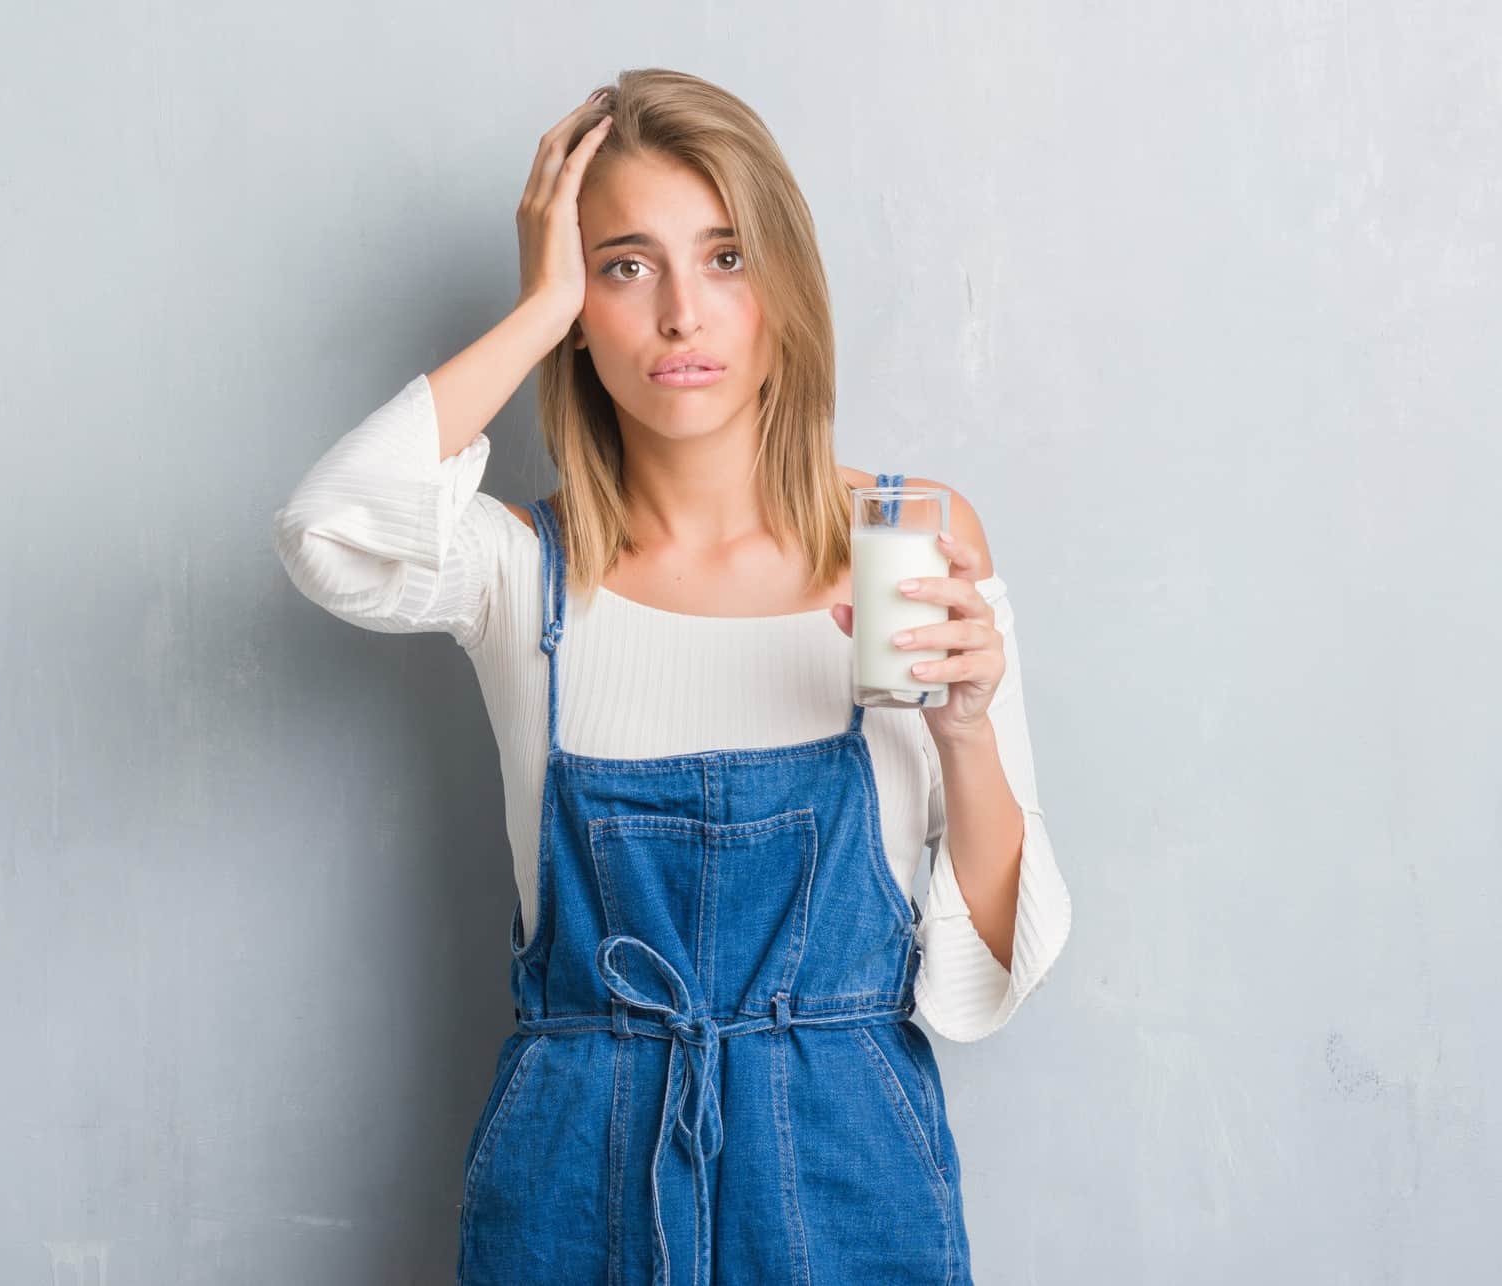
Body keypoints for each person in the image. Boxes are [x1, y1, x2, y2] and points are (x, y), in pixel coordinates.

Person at [271, 68, 1072, 1285]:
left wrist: (965, 730)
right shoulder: (517, 569)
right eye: (625, 265)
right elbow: (328, 527)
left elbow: (989, 961)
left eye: (727, 257)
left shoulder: (906, 534)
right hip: (572, 1178)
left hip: (844, 1167)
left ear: (783, 294)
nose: (683, 315)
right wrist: (539, 301)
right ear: (580, 313)